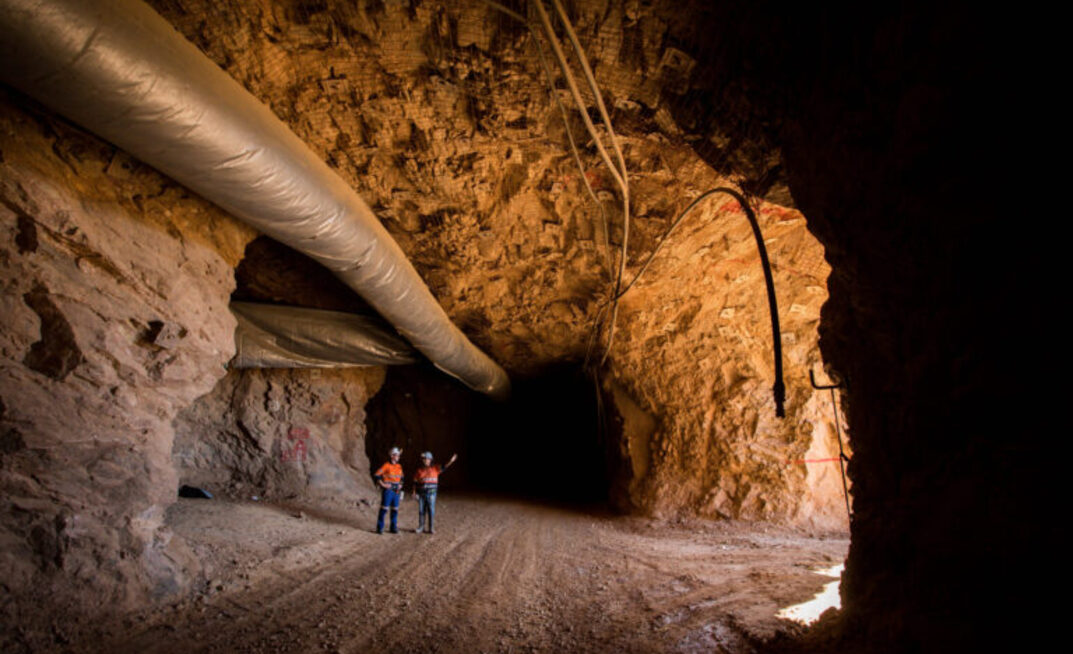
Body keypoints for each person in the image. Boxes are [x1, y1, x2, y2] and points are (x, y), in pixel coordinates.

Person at [412, 451, 457, 534]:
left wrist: (451, 461)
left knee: (431, 510)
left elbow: (444, 466)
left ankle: (431, 528)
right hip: (422, 493)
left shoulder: (435, 468)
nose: (425, 460)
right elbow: (415, 482)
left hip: (431, 493)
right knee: (421, 510)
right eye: (424, 459)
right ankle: (421, 527)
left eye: (427, 459)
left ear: (430, 460)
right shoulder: (419, 471)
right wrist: (414, 492)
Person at [373, 447, 404, 534]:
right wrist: (383, 484)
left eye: (399, 455)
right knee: (384, 509)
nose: (398, 457)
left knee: (395, 509)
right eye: (397, 455)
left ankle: (393, 527)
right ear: (392, 456)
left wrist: (401, 485)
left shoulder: (399, 466)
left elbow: (402, 477)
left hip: (396, 490)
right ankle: (380, 528)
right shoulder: (386, 465)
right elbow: (377, 475)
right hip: (388, 490)